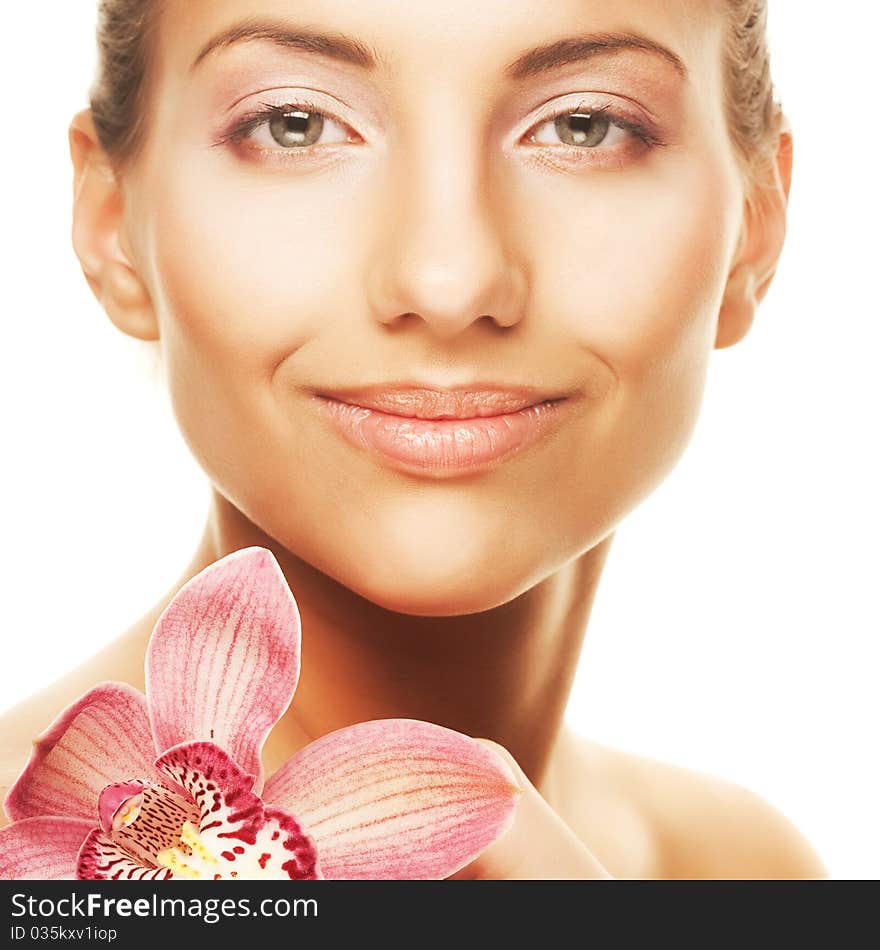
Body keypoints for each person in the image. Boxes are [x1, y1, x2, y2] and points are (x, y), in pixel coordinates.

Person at [0, 0, 826, 878]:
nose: (446, 279)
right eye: (296, 124)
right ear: (112, 230)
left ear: (754, 231)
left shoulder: (747, 868)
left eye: (585, 126)